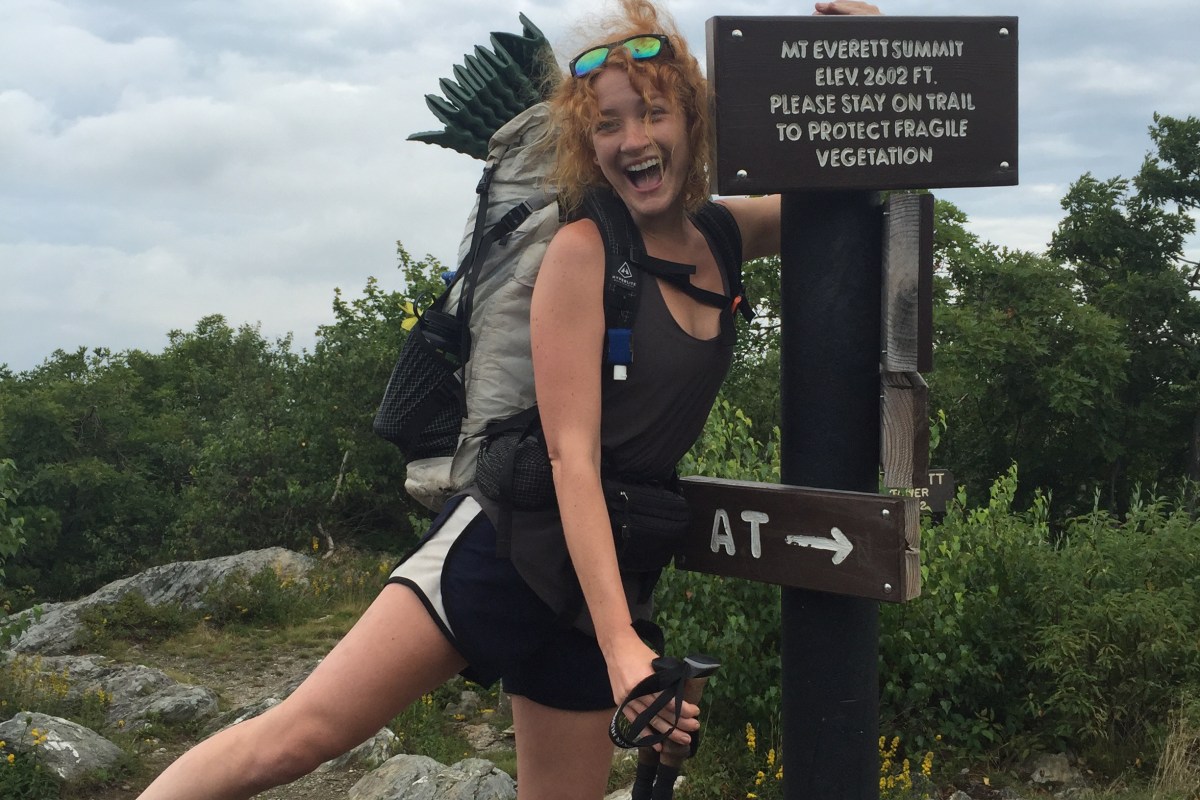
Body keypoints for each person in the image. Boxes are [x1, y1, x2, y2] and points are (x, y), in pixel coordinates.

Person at [135, 1, 880, 798]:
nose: (633, 139)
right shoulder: (583, 252)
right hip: (507, 544)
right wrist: (619, 643)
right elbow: (570, 458)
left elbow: (850, 182)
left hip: (607, 572)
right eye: (607, 124)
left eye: (653, 112)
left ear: (692, 122)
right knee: (295, 739)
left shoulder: (725, 236)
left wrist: (865, 55)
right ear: (587, 144)